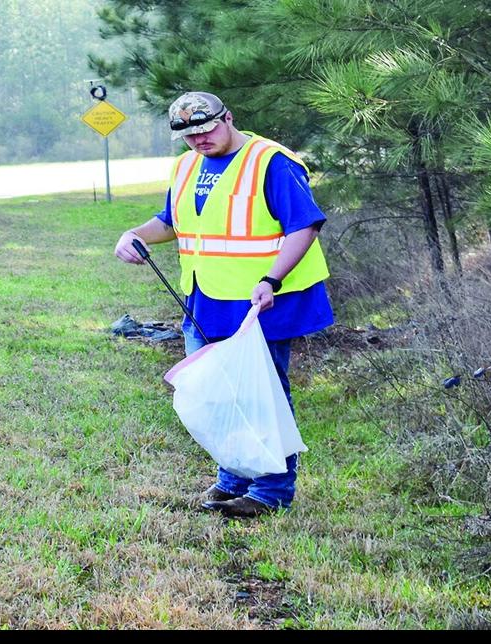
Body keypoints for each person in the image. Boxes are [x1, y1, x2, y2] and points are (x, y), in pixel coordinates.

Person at [115, 91, 334, 518]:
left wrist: (272, 278)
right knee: (216, 395)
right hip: (205, 299)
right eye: (188, 136)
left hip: (260, 302)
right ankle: (232, 479)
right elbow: (169, 222)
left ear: (228, 118)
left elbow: (304, 226)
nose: (199, 140)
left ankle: (271, 491)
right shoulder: (185, 166)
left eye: (207, 129)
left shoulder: (270, 161)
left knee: (262, 397)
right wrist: (134, 234)